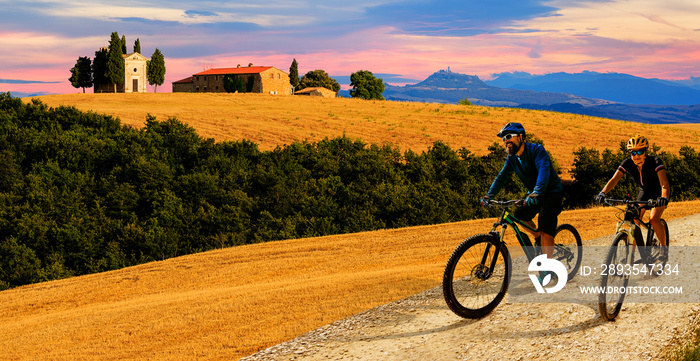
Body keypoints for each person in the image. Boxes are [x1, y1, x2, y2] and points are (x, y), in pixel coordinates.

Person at [481, 122, 564, 258]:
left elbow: (544, 171)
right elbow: (501, 177)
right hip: (534, 194)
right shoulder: (511, 158)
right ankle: (537, 237)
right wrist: (489, 195)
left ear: (520, 137)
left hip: (551, 193)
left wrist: (536, 191)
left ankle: (548, 270)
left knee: (545, 230)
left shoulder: (537, 151)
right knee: (520, 215)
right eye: (503, 139)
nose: (506, 141)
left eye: (508, 136)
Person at [595, 135, 670, 260]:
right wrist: (602, 193)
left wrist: (664, 198)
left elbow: (664, 184)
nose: (636, 155)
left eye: (640, 151)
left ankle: (663, 249)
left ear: (645, 151)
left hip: (659, 192)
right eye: (633, 152)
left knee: (654, 219)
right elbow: (614, 179)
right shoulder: (628, 163)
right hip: (644, 191)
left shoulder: (655, 161)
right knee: (635, 220)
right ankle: (631, 254)